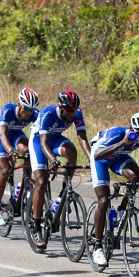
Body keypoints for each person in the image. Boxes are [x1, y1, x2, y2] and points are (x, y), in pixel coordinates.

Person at [89, 113, 139, 266]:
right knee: (103, 200)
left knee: (135, 177)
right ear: (130, 129)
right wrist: (123, 143)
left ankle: (122, 210)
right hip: (101, 160)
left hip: (118, 159)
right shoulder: (117, 134)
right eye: (138, 135)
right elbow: (96, 155)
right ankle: (97, 247)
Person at [28, 89, 91, 248]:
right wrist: (52, 159)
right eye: (70, 110)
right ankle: (36, 227)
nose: (73, 113)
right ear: (61, 107)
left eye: (75, 110)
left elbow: (82, 137)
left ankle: (64, 193)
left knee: (71, 151)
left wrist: (92, 159)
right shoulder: (47, 113)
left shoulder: (77, 113)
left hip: (55, 140)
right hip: (39, 142)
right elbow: (43, 143)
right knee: (41, 183)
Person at [0, 88, 40, 226]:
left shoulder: (34, 114)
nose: (28, 113)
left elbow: (39, 135)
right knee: (5, 170)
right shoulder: (8, 110)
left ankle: (27, 183)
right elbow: (3, 135)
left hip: (16, 133)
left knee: (28, 152)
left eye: (31, 109)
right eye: (26, 109)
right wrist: (9, 150)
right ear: (19, 104)